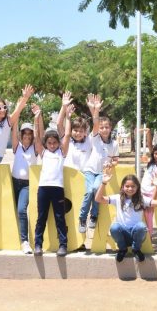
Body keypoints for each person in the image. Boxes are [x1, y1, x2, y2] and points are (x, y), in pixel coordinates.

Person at [96, 171, 157, 262]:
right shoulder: (117, 198)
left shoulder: (142, 199)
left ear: (137, 187)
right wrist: (104, 183)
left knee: (141, 226)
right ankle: (122, 249)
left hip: (136, 234)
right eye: (127, 186)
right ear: (122, 187)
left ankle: (136, 249)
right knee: (114, 227)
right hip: (123, 235)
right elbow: (98, 199)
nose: (130, 188)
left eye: (133, 186)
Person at [33, 101, 72, 257]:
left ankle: (63, 245)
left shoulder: (61, 153)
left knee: (59, 218)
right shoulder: (43, 152)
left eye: (55, 142)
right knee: (41, 217)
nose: (52, 145)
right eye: (49, 143)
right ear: (46, 143)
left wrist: (68, 116)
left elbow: (67, 135)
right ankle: (37, 245)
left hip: (57, 189)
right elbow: (37, 136)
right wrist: (37, 118)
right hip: (43, 188)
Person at [77, 93, 119, 232]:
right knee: (89, 191)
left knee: (96, 190)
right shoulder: (95, 138)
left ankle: (94, 216)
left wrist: (111, 164)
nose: (104, 129)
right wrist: (95, 109)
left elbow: (115, 160)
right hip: (90, 170)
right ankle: (83, 218)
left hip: (102, 173)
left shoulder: (114, 144)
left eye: (107, 127)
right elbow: (95, 121)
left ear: (110, 128)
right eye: (102, 127)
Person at [55, 92, 93, 234]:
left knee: (78, 210)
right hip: (66, 180)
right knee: (66, 210)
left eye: (80, 131)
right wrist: (64, 108)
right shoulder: (67, 140)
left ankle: (80, 240)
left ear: (85, 133)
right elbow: (59, 124)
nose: (77, 133)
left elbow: (95, 127)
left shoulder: (89, 142)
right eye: (75, 130)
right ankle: (65, 237)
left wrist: (93, 109)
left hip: (82, 181)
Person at [11, 115, 38, 255]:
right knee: (14, 211)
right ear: (21, 135)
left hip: (27, 185)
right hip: (14, 182)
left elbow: (39, 135)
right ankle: (15, 238)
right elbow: (13, 129)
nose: (27, 135)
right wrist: (18, 112)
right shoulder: (17, 146)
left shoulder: (35, 148)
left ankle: (25, 241)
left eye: (30, 133)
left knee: (22, 209)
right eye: (24, 132)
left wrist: (37, 119)